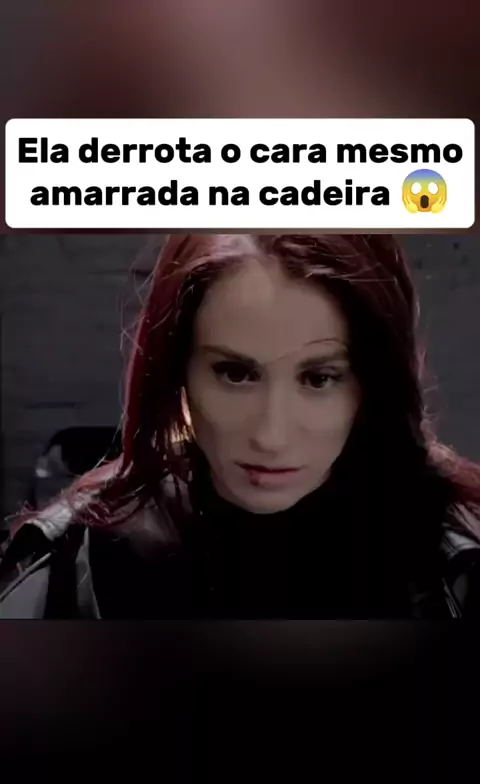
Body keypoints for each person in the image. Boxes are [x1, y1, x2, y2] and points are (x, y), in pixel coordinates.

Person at [1, 233, 480, 618]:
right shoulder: (77, 568)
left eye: (319, 378)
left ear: (374, 383)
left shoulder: (455, 569)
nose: (270, 436)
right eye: (235, 374)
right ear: (178, 370)